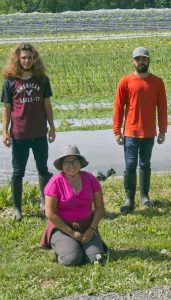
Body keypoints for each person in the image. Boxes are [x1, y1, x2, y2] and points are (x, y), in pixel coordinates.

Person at [1, 42, 56, 221]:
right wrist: (5, 131)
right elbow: (7, 108)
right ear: (18, 59)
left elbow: (47, 105)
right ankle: (17, 208)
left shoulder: (42, 80)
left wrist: (52, 127)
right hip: (19, 134)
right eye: (23, 58)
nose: (26, 61)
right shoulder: (10, 82)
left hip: (39, 133)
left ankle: (44, 202)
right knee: (18, 172)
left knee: (43, 170)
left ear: (35, 59)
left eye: (30, 57)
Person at [113, 46, 168, 214]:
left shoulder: (157, 82)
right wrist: (117, 131)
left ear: (148, 60)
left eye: (144, 59)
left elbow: (162, 108)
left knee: (145, 164)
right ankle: (129, 198)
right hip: (130, 132)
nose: (141, 62)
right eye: (138, 59)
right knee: (130, 166)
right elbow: (118, 107)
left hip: (149, 132)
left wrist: (162, 131)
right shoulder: (125, 81)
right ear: (133, 61)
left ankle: (144, 196)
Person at [39, 145, 106, 266]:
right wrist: (72, 233)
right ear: (62, 165)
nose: (71, 165)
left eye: (75, 161)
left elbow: (100, 208)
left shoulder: (91, 179)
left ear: (80, 163)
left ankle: (82, 246)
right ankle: (63, 247)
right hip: (62, 227)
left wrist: (92, 229)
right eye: (67, 162)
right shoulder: (55, 182)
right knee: (72, 259)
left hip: (87, 226)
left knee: (96, 258)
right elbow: (50, 213)